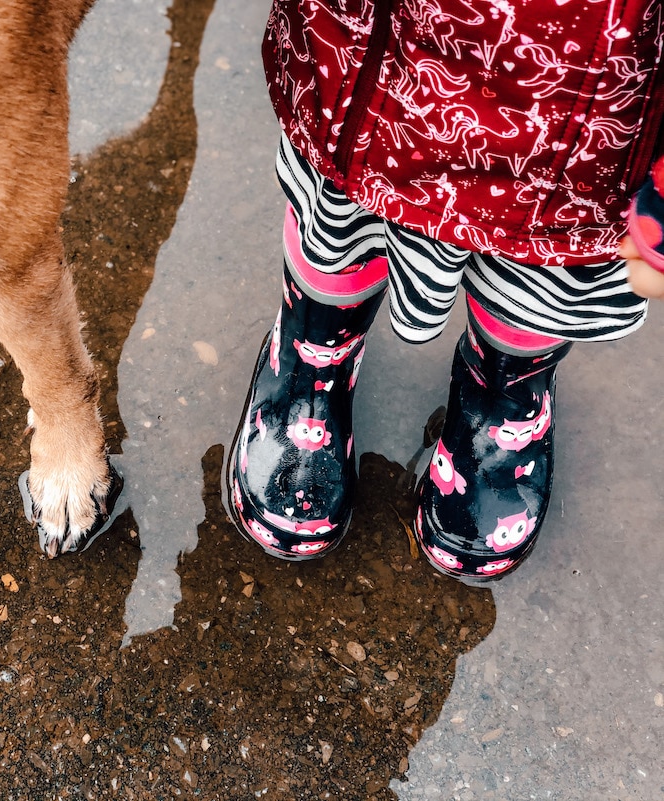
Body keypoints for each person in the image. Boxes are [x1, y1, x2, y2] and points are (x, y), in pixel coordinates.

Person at [227, 0, 664, 582]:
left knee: (550, 262)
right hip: (377, 50)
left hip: (597, 95)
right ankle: (314, 355)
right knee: (344, 210)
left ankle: (503, 401)